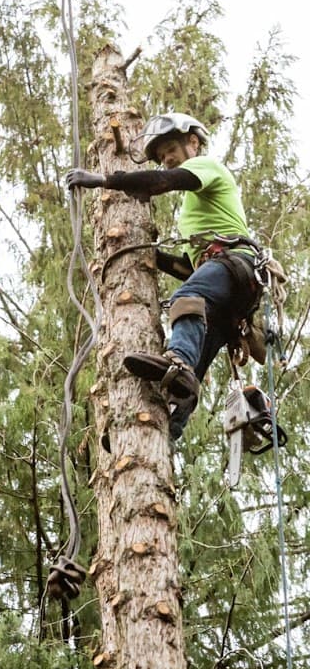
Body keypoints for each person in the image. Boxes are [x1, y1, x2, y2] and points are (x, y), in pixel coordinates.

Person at [65, 112, 263, 439]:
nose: (166, 159)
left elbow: (162, 182)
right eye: (160, 156)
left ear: (193, 142)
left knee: (188, 297)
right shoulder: (193, 211)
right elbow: (189, 268)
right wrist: (151, 257)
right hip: (230, 283)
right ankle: (165, 428)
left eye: (170, 149)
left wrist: (103, 180)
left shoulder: (206, 167)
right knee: (193, 368)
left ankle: (177, 362)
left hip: (236, 263)